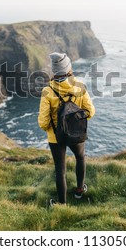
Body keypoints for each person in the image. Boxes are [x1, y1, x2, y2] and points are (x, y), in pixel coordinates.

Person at [38, 52, 95, 207]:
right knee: (81, 157)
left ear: (54, 71)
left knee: (60, 171)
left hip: (56, 137)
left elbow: (43, 122)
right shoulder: (80, 86)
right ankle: (79, 190)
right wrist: (74, 122)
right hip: (76, 133)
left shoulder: (47, 91)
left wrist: (54, 129)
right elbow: (90, 112)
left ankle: (62, 205)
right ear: (69, 68)